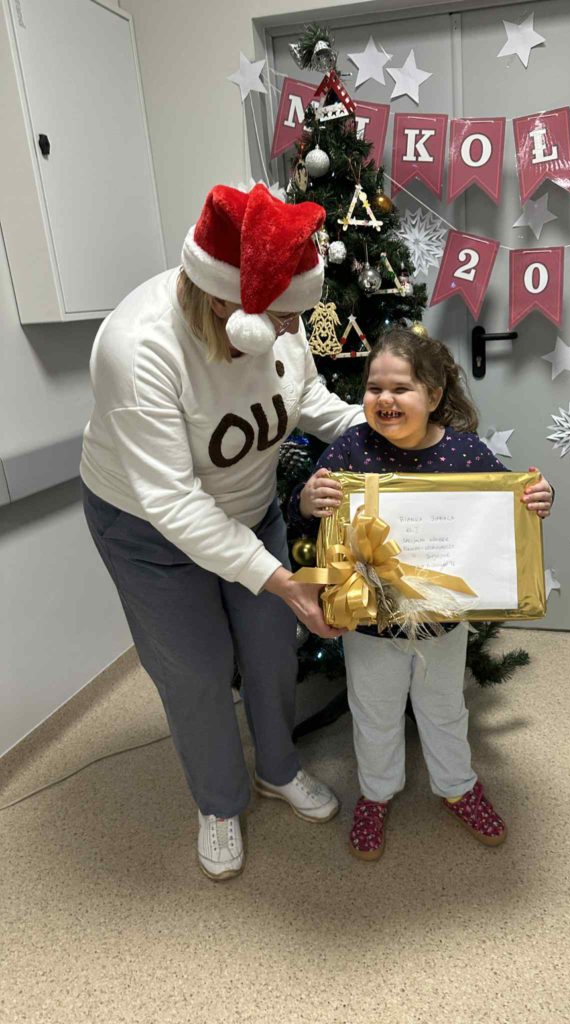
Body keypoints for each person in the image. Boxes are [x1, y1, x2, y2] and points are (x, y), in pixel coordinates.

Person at [80, 183, 365, 881]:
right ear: (228, 306)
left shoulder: (281, 328)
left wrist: (390, 429)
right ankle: (218, 801)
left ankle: (278, 769)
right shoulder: (139, 348)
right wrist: (281, 580)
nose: (295, 331)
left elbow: (308, 398)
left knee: (270, 650)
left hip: (250, 510)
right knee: (198, 671)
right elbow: (175, 504)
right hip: (147, 528)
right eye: (286, 318)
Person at [291, 327, 554, 861]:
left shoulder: (463, 450)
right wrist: (305, 499)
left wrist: (537, 497)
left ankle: (458, 786)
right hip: (367, 621)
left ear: (433, 396)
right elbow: (309, 510)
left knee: (444, 709)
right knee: (374, 713)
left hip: (441, 620)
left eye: (400, 388)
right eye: (374, 388)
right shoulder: (351, 447)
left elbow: (505, 506)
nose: (384, 399)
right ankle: (375, 794)